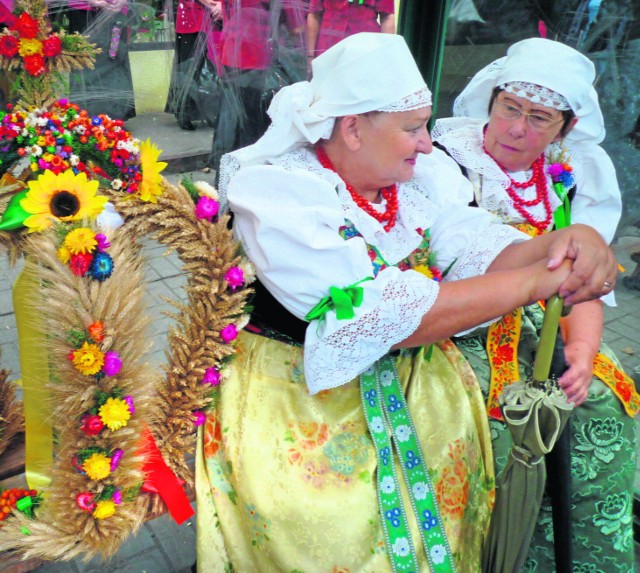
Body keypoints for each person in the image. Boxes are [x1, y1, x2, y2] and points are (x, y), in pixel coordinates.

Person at [195, 33, 618, 572]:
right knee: (334, 523)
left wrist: (561, 242)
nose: (427, 143)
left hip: (410, 377)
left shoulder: (416, 182)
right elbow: (370, 313)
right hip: (297, 393)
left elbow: (477, 242)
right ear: (351, 128)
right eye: (413, 128)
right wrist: (537, 281)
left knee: (444, 500)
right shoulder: (278, 193)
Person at [432, 37, 638, 572]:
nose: (517, 129)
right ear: (492, 100)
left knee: (602, 404)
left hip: (551, 319)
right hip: (459, 317)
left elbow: (586, 282)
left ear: (565, 129)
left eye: (539, 118)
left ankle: (565, 558)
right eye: (510, 109)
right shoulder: (444, 160)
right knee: (497, 429)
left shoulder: (576, 177)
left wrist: (586, 350)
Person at [208, 0, 305, 176]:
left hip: (233, 53)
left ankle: (227, 178)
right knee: (255, 130)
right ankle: (250, 180)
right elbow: (295, 27)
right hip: (258, 58)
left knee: (232, 123)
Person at [165, 0, 223, 130]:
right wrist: (217, 5)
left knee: (215, 67)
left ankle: (212, 111)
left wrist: (223, 6)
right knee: (189, 66)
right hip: (194, 16)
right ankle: (185, 111)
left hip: (218, 16)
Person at [306, 0, 395, 66]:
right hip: (328, 50)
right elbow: (314, 15)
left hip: (365, 50)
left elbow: (387, 16)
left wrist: (386, 55)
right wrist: (310, 56)